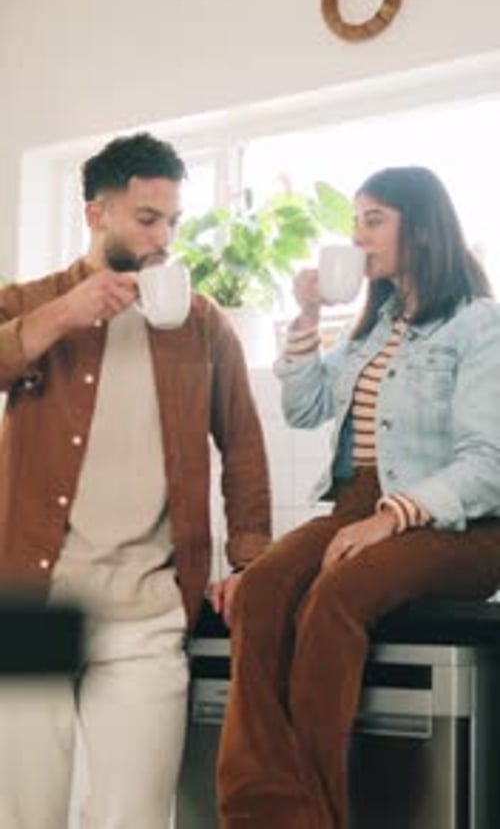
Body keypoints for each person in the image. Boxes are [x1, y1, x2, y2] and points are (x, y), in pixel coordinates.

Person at [0, 132, 271, 829]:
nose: (163, 239)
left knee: (136, 817)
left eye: (173, 221)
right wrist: (62, 315)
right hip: (37, 603)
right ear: (96, 215)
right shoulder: (32, 301)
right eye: (147, 219)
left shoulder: (202, 324)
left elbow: (241, 441)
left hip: (148, 610)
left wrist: (251, 562)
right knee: (28, 812)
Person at [216, 165, 500, 829]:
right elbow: (306, 404)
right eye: (355, 223)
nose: (358, 237)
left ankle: (314, 815)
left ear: (421, 228)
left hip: (459, 524)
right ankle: (260, 813)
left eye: (374, 220)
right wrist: (310, 316)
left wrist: (389, 519)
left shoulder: (477, 323)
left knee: (334, 595)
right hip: (357, 505)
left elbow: (490, 462)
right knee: (260, 591)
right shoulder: (373, 329)